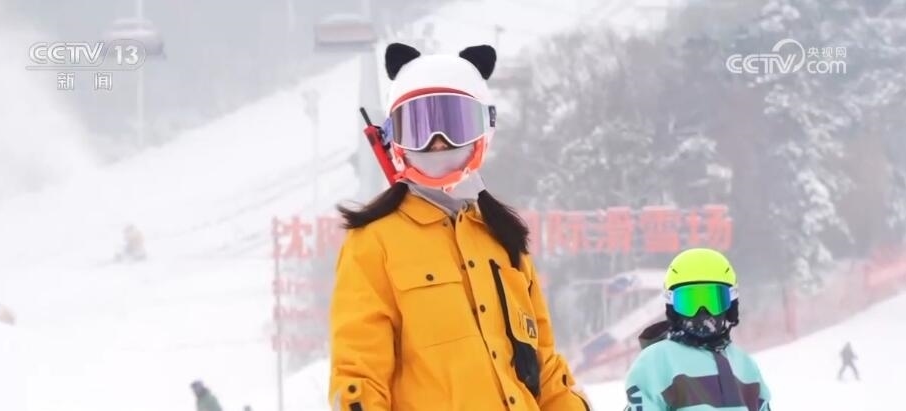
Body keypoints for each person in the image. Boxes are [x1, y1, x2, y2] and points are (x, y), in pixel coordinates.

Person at [328, 43, 591, 411]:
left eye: (454, 124)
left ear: (484, 128)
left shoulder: (502, 238)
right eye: (419, 127)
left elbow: (545, 370)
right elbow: (358, 376)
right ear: (393, 137)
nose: (438, 143)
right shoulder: (374, 242)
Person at [624, 248, 772, 411]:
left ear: (730, 305)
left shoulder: (745, 365)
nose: (702, 312)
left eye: (713, 301)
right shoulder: (656, 361)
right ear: (673, 307)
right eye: (690, 302)